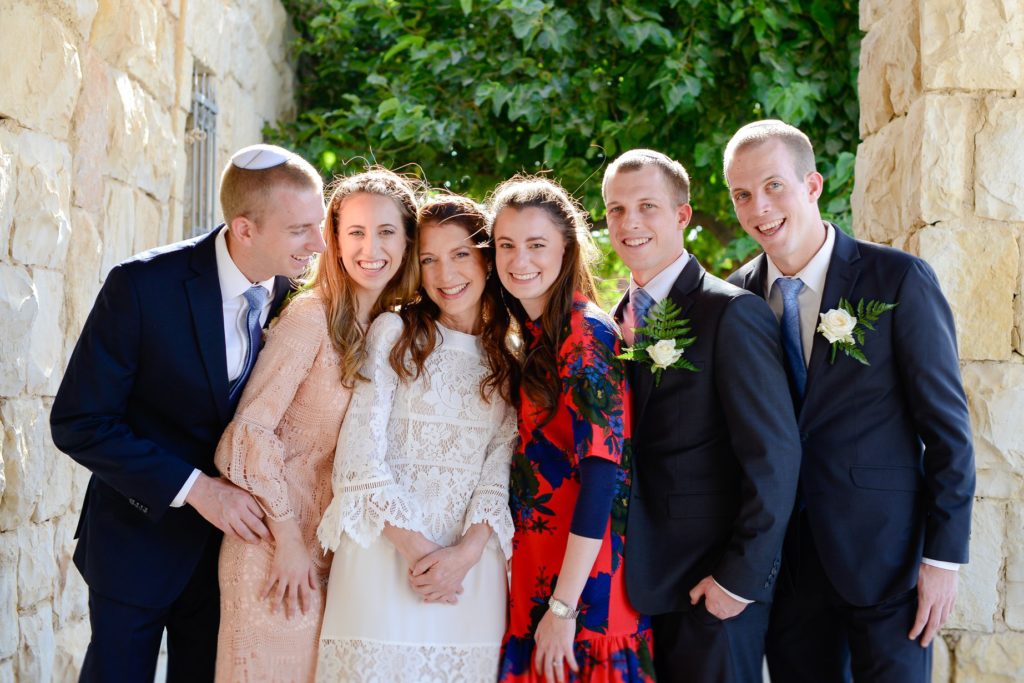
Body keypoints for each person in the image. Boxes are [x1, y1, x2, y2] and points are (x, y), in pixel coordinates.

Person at [50, 144, 327, 682]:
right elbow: (80, 422)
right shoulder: (140, 286)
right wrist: (196, 489)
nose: (319, 244)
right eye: (300, 230)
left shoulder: (301, 300)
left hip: (236, 558)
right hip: (137, 540)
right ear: (245, 229)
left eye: (318, 224)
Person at [724, 119, 975, 683]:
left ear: (812, 186)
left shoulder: (898, 280)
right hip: (786, 571)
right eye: (742, 195)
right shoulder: (736, 298)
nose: (758, 207)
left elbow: (948, 430)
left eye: (773, 186)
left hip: (889, 565)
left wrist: (942, 559)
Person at [212, 168, 420, 682]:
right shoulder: (311, 316)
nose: (371, 248)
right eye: (355, 232)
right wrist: (286, 542)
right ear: (334, 240)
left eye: (387, 231)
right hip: (272, 547)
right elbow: (246, 436)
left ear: (408, 240)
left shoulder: (391, 328)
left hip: (336, 556)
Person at [603, 149, 802, 682]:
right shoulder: (609, 324)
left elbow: (774, 456)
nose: (630, 223)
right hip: (629, 592)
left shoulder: (731, 313)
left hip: (710, 592)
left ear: (683, 215)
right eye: (616, 210)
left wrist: (737, 581)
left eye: (647, 205)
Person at [315, 195, 518, 682]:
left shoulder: (510, 356)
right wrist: (423, 556)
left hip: (471, 570)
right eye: (428, 259)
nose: (445, 273)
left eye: (460, 255)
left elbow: (500, 465)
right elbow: (360, 456)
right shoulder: (394, 332)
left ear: (487, 260)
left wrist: (463, 556)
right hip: (385, 555)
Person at [492, 177, 654, 683]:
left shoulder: (585, 334)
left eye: (537, 245)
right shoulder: (538, 334)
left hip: (585, 591)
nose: (520, 260)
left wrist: (563, 609)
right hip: (542, 573)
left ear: (567, 247)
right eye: (507, 245)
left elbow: (602, 475)